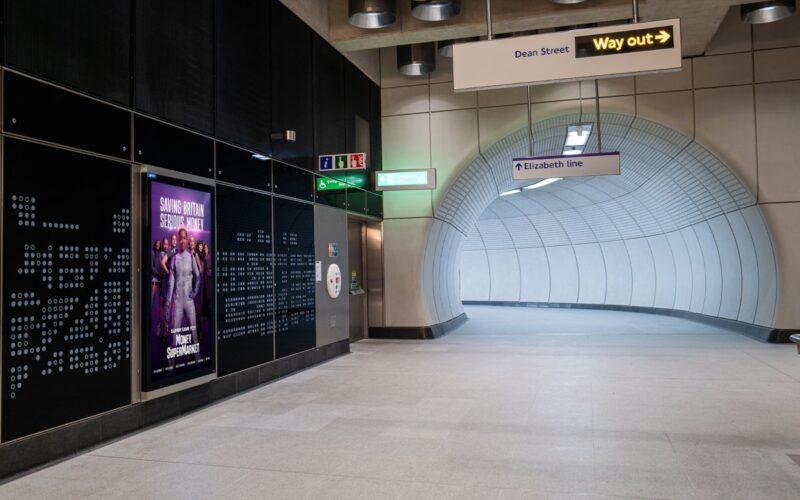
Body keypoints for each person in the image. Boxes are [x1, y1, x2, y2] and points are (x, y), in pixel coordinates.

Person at [165, 228, 201, 365]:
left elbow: (198, 277)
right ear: (178, 240)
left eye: (185, 238)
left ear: (187, 239)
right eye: (181, 238)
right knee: (174, 335)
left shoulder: (191, 257)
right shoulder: (174, 258)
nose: (183, 240)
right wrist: (168, 303)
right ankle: (171, 364)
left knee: (194, 334)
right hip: (178, 301)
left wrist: (195, 292)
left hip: (189, 300)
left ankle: (198, 360)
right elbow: (171, 281)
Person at [151, 239, 169, 347]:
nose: (162, 246)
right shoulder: (156, 253)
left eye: (167, 244)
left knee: (163, 307)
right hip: (156, 279)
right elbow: (154, 266)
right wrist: (157, 273)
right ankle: (157, 327)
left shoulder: (168, 253)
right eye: (163, 244)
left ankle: (162, 329)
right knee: (154, 303)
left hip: (164, 282)